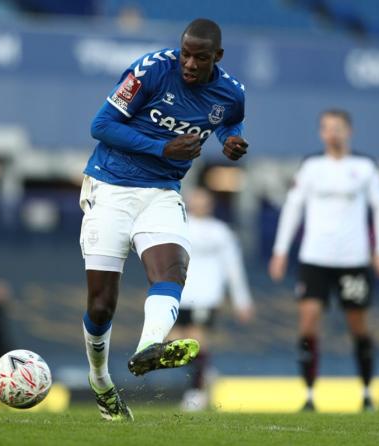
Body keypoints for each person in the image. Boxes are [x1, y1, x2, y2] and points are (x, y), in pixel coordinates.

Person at [79, 18, 248, 421]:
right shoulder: (150, 70)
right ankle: (100, 380)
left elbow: (226, 118)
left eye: (200, 58)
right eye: (186, 54)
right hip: (110, 187)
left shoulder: (233, 92)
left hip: (161, 193)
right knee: (101, 306)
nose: (189, 63)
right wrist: (163, 146)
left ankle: (147, 348)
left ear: (217, 58)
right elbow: (100, 125)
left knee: (172, 268)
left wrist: (230, 140)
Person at [268, 109, 379, 411]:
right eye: (326, 128)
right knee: (308, 321)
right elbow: (293, 208)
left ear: (349, 131)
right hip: (316, 258)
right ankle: (309, 394)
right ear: (321, 133)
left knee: (358, 325)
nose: (332, 133)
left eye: (338, 127)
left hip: (353, 259)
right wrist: (280, 250)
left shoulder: (364, 167)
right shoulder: (311, 167)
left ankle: (366, 390)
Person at [168, 188, 254, 411]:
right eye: (196, 199)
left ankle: (195, 393)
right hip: (180, 295)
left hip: (207, 296)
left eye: (204, 200)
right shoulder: (177, 228)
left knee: (196, 340)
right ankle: (206, 372)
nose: (200, 204)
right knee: (172, 343)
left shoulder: (220, 231)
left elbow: (233, 267)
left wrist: (241, 300)